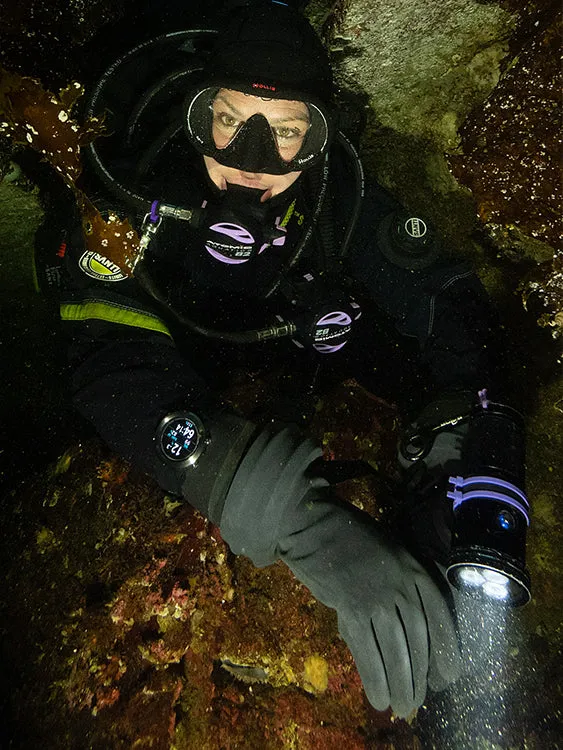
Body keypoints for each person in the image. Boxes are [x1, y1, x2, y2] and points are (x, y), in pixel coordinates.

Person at [40, 0, 524, 717]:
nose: (254, 163)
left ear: (319, 142)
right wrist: (295, 517)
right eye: (230, 121)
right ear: (194, 114)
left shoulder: (335, 200)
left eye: (289, 132)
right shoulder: (124, 189)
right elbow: (110, 363)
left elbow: (446, 300)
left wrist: (472, 447)